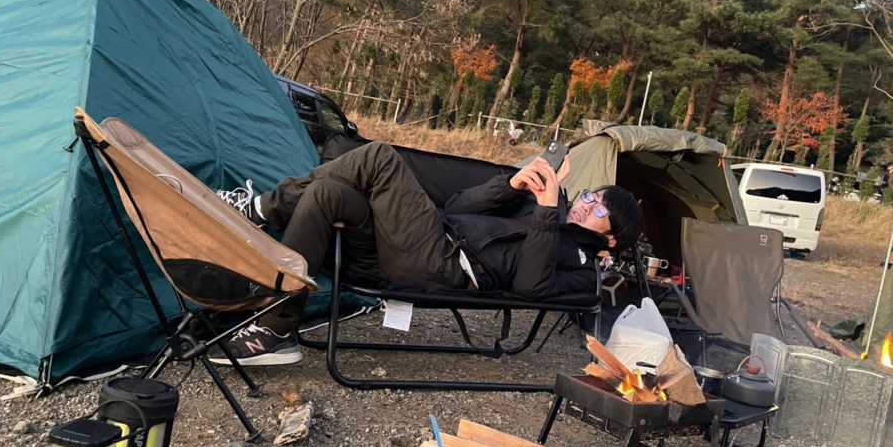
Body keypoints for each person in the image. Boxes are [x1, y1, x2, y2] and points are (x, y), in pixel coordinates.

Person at [213, 141, 641, 365]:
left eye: (599, 209)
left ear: (612, 239)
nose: (585, 203)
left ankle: (259, 209)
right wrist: (511, 186)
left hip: (445, 266)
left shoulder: (585, 270)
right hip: (426, 239)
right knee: (327, 194)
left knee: (380, 157)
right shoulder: (542, 208)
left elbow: (532, 286)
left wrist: (546, 215)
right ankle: (277, 329)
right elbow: (456, 206)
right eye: (591, 195)